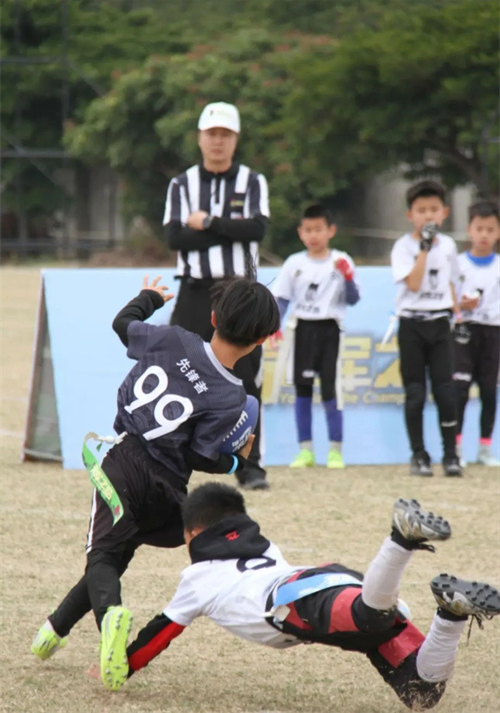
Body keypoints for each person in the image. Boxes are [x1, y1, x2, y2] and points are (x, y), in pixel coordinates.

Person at [31, 274, 280, 691]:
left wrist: (148, 298)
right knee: (118, 554)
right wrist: (238, 459)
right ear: (260, 341)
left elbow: (121, 324)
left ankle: (110, 616)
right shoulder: (233, 398)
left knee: (102, 556)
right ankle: (53, 632)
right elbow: (202, 457)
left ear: (213, 316)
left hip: (124, 463)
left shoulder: (175, 339)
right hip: (168, 487)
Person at [105, 483, 499, 710]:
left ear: (192, 534)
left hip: (297, 600)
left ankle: (401, 539)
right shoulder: (263, 546)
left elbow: (159, 633)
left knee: (371, 616)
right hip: (327, 586)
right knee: (421, 693)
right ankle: (451, 614)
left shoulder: (197, 578)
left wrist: (123, 666)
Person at [163, 101, 271, 491]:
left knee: (245, 378)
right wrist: (229, 229)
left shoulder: (253, 181)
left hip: (239, 293)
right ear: (200, 138)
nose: (218, 141)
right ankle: (171, 458)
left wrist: (207, 222)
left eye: (225, 134)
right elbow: (176, 237)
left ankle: (250, 465)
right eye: (212, 134)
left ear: (235, 139)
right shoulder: (181, 184)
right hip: (194, 291)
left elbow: (256, 229)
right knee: (179, 372)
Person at [271, 204, 360, 469]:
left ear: (330, 230)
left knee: (331, 390)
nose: (313, 235)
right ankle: (306, 451)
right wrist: (274, 325)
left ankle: (335, 451)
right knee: (303, 389)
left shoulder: (341, 260)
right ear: (300, 233)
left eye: (319, 229)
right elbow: (282, 299)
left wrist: (347, 277)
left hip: (331, 330)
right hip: (302, 330)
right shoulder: (294, 263)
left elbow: (353, 299)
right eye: (308, 230)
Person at [391, 180, 462, 477]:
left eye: (434, 209)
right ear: (410, 215)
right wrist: (424, 248)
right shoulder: (402, 247)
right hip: (412, 324)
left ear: (444, 213)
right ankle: (419, 454)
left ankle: (451, 455)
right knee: (416, 393)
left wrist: (459, 314)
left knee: (446, 392)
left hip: (440, 324)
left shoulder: (449, 246)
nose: (428, 216)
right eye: (421, 210)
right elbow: (413, 283)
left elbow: (452, 283)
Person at [453, 200, 500, 467]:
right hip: (464, 331)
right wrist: (461, 305)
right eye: (479, 228)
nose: (484, 235)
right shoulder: (458, 265)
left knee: (489, 391)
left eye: (490, 229)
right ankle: (456, 447)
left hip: (493, 332)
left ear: (498, 232)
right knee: (460, 390)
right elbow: (447, 300)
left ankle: (484, 448)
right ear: (469, 230)